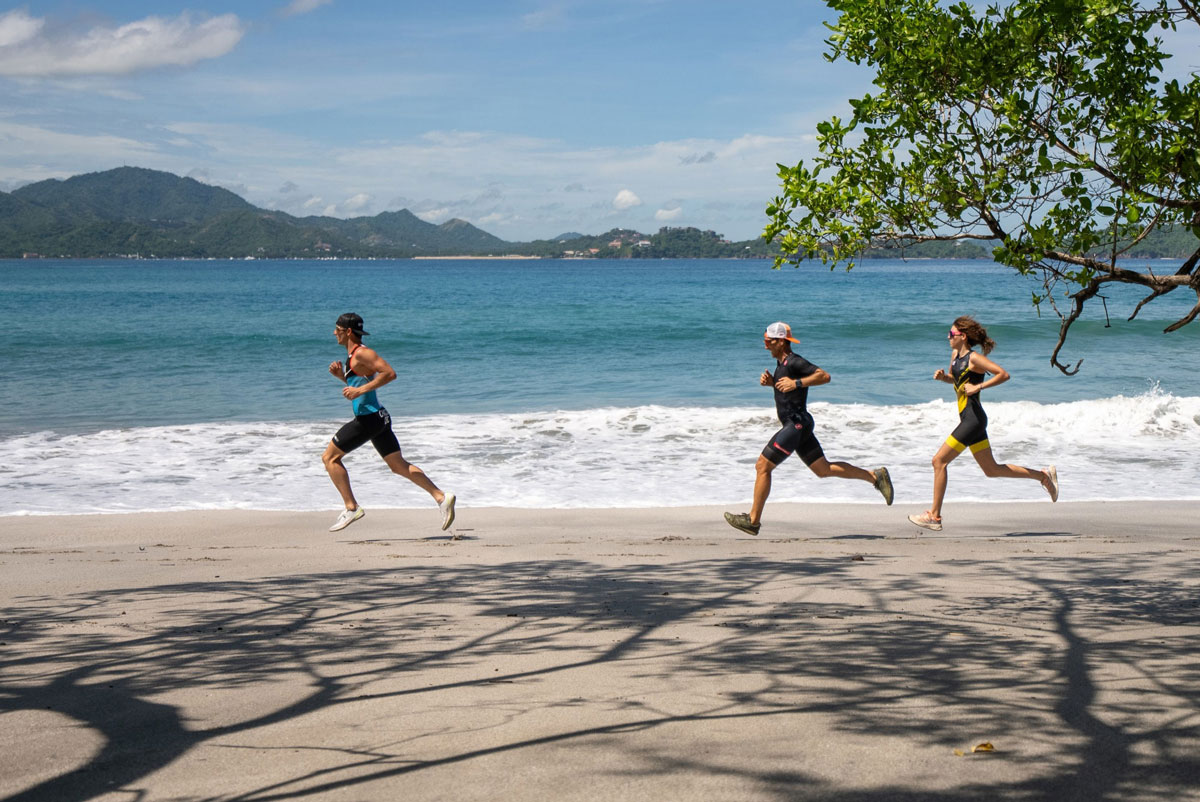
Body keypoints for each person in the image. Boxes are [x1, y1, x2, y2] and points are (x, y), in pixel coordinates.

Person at [723, 321, 893, 536]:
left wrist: (797, 384)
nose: (765, 345)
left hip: (796, 424)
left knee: (762, 466)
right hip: (798, 424)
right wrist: (773, 383)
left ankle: (753, 520)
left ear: (780, 341)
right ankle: (874, 476)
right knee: (823, 470)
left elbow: (824, 376)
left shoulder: (794, 362)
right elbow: (788, 391)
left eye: (768, 341)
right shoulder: (781, 365)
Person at [907, 316, 1058, 532]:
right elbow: (956, 379)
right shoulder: (955, 356)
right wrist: (944, 378)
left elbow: (1003, 374)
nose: (948, 337)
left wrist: (979, 388)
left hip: (973, 419)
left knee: (938, 461)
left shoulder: (974, 358)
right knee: (992, 469)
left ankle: (934, 516)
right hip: (970, 419)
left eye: (951, 334)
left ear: (963, 336)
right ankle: (1043, 476)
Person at [321, 313, 455, 532]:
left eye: (337, 328)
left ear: (347, 332)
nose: (334, 332)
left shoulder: (362, 353)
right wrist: (342, 378)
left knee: (330, 458)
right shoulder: (354, 356)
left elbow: (389, 374)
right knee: (398, 465)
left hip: (368, 420)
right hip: (379, 417)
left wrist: (359, 390)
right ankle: (441, 497)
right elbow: (359, 382)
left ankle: (351, 507)